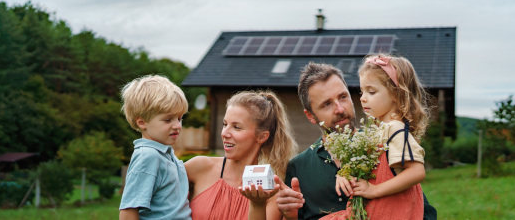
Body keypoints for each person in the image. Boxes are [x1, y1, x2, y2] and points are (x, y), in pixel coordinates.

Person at [275, 62, 437, 220]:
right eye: (327, 104)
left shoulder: (382, 144)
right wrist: (290, 216)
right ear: (310, 116)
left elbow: (420, 209)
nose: (340, 109)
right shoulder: (298, 168)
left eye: (343, 97)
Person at [323, 54, 430, 219]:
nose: (363, 98)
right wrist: (344, 175)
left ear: (396, 94)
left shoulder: (395, 129)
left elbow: (416, 172)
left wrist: (374, 190)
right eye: (362, 91)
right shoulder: (378, 131)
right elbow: (368, 171)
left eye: (371, 92)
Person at [185, 90, 297, 220]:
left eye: (236, 127)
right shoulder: (199, 167)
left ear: (262, 136)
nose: (224, 133)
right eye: (225, 124)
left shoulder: (272, 191)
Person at [119, 75, 192, 220]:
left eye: (179, 118)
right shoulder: (148, 156)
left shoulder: (165, 155)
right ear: (142, 122)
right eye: (167, 119)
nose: (177, 126)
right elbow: (128, 210)